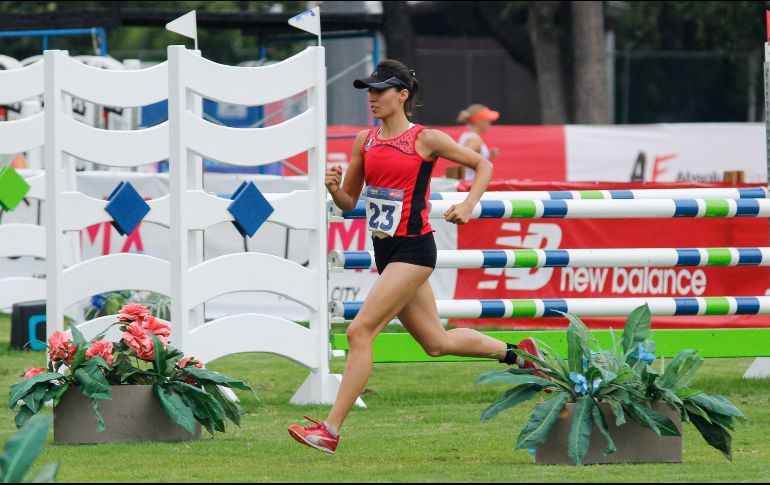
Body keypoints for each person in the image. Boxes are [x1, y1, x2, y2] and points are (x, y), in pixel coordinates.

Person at [287, 60, 543, 455]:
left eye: (380, 90)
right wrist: (335, 188)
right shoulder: (364, 141)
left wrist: (469, 204)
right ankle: (518, 354)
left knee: (359, 332)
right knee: (436, 343)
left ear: (402, 95)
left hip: (415, 249)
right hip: (386, 252)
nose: (371, 97)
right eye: (368, 90)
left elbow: (483, 165)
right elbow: (350, 201)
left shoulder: (426, 139)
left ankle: (330, 430)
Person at [456, 104, 500, 181]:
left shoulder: (466, 135)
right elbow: (461, 159)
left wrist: (487, 155)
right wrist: (463, 183)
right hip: (471, 184)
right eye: (487, 120)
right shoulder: (474, 140)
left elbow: (470, 160)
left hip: (470, 184)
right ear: (479, 121)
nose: (489, 123)